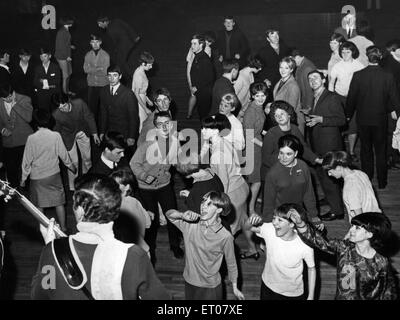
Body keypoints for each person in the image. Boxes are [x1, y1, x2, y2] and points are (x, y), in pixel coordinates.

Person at [31, 173, 170, 300]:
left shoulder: (51, 252)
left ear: (79, 209)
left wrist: (51, 246)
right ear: (116, 208)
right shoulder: (133, 255)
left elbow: (40, 295)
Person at [289, 207, 398, 300]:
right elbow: (319, 242)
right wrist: (301, 224)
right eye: (352, 226)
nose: (351, 230)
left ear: (369, 234)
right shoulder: (344, 248)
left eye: (357, 228)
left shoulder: (380, 262)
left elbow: (388, 293)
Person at [166, 191, 245, 300]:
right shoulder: (191, 223)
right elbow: (169, 215)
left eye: (209, 204)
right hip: (190, 281)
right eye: (203, 201)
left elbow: (231, 264)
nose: (203, 206)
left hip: (210, 287)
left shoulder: (225, 236)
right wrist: (181, 215)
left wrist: (235, 288)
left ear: (219, 209)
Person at [130, 111, 183, 265]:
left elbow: (177, 162)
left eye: (167, 123)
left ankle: (175, 245)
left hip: (165, 185)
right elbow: (134, 163)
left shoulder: (175, 141)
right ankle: (150, 248)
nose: (164, 127)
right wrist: (145, 176)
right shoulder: (147, 144)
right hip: (146, 188)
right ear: (155, 127)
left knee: (172, 216)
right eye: (160, 124)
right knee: (151, 220)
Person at [201, 114, 257, 259]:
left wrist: (219, 202)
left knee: (226, 231)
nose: (203, 131)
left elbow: (222, 182)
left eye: (207, 128)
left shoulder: (217, 154)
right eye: (203, 127)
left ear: (216, 131)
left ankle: (223, 261)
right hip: (242, 187)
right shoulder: (224, 142)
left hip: (231, 193)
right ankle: (253, 249)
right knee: (244, 220)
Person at [346, 46, 400, 189]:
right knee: (381, 151)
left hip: (363, 119)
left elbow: (351, 99)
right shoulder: (387, 75)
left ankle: (367, 179)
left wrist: (347, 116)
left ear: (366, 57)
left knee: (365, 151)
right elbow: (394, 99)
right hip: (380, 120)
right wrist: (396, 112)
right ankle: (382, 182)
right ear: (380, 57)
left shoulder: (358, 75)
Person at [21, 109, 76, 232]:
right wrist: (72, 167)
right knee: (59, 203)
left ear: (35, 122)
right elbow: (64, 155)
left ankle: (45, 230)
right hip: (54, 175)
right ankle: (64, 228)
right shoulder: (55, 136)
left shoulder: (31, 138)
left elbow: (26, 161)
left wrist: (23, 179)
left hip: (37, 178)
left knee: (39, 205)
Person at [248, 203, 316, 300]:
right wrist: (250, 220)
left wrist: (311, 296)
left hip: (292, 294)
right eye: (274, 218)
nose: (274, 223)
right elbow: (247, 227)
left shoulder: (305, 245)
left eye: (280, 220)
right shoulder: (270, 229)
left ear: (292, 224)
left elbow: (311, 268)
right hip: (268, 287)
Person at [306, 70, 346, 222]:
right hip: (318, 142)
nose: (313, 80)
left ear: (324, 80)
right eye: (310, 79)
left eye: (316, 77)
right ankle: (330, 199)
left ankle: (337, 211)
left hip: (330, 144)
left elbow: (341, 120)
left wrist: (321, 119)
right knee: (322, 174)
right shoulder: (314, 96)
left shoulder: (332, 96)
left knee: (330, 177)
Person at [263, 134, 323, 229]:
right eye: (281, 153)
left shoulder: (303, 166)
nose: (283, 158)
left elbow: (308, 193)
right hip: (281, 217)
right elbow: (268, 202)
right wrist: (267, 224)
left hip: (298, 214)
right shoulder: (273, 173)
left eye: (288, 154)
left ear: (296, 153)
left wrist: (314, 215)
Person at [261, 100, 319, 184]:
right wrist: (286, 161)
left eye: (282, 114)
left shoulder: (294, 129)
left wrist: (317, 159)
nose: (279, 117)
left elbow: (303, 148)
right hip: (272, 175)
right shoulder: (271, 134)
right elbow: (266, 158)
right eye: (276, 115)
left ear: (289, 114)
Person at [52, 92, 99, 191]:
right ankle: (73, 186)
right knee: (74, 162)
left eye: (64, 105)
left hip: (82, 132)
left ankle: (87, 181)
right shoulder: (56, 115)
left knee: (87, 158)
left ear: (68, 101)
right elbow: (57, 131)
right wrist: (56, 145)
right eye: (60, 108)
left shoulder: (80, 103)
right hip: (68, 136)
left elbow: (89, 117)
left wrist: (94, 133)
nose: (63, 109)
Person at [329, 41, 364, 162]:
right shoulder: (337, 66)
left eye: (347, 52)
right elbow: (331, 83)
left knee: (353, 127)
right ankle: (340, 151)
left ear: (353, 52)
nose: (345, 54)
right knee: (340, 125)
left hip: (354, 100)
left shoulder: (359, 66)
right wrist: (331, 98)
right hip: (340, 98)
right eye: (342, 52)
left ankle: (352, 151)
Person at [322, 151, 382, 222]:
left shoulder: (350, 188)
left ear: (338, 167)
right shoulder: (361, 173)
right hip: (377, 218)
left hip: (367, 226)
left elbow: (359, 218)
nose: (329, 174)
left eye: (330, 171)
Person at [99, 65, 139, 158]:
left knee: (124, 159)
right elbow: (103, 113)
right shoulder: (103, 91)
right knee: (111, 158)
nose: (112, 78)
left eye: (115, 75)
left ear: (120, 76)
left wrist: (131, 136)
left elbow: (133, 117)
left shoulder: (128, 94)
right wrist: (102, 131)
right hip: (110, 133)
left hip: (123, 134)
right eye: (109, 75)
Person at [110, 168, 152, 254]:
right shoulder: (135, 201)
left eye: (115, 184)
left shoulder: (118, 208)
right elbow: (148, 224)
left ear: (127, 187)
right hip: (143, 251)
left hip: (129, 253)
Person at [0, 85, 33, 187]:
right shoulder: (0, 101)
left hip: (24, 139)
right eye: (4, 98)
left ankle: (28, 190)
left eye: (9, 96)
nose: (7, 99)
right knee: (11, 169)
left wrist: (15, 105)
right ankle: (13, 191)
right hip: (8, 141)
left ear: (13, 92)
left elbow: (29, 118)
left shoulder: (25, 99)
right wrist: (2, 129)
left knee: (27, 167)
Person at [242, 82, 267, 216]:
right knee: (256, 180)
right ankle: (250, 209)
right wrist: (264, 145)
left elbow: (257, 129)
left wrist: (266, 134)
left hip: (256, 144)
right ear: (252, 96)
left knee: (254, 179)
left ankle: (251, 200)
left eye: (263, 95)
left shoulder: (259, 107)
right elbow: (249, 135)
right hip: (252, 148)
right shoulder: (251, 111)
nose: (260, 98)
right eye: (257, 95)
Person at [97, 16, 141, 81]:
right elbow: (115, 41)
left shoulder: (116, 22)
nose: (99, 26)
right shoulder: (110, 28)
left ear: (105, 22)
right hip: (125, 45)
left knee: (122, 62)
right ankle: (131, 76)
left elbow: (127, 27)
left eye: (100, 24)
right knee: (122, 62)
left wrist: (135, 36)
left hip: (126, 44)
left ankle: (132, 76)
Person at [83, 33, 110, 126]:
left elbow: (105, 71)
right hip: (91, 85)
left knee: (104, 109)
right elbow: (85, 69)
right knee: (91, 109)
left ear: (100, 42)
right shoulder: (87, 55)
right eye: (93, 42)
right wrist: (98, 68)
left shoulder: (105, 55)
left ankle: (104, 128)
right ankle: (93, 129)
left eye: (97, 42)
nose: (95, 44)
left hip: (103, 85)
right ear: (90, 43)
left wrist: (92, 70)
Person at [272, 57, 303, 134]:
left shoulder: (293, 86)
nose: (282, 70)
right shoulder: (281, 81)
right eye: (281, 67)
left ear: (291, 70)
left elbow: (290, 110)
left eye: (286, 68)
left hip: (292, 123)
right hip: (283, 120)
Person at [383, 39, 400, 170]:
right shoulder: (390, 66)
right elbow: (387, 90)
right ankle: (390, 158)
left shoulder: (393, 61)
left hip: (396, 102)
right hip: (393, 106)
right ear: (394, 51)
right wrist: (392, 109)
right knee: (392, 132)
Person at [189, 34, 215, 120]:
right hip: (200, 92)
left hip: (204, 93)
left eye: (194, 44)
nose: (192, 46)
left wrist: (197, 87)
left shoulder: (204, 59)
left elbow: (210, 77)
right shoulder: (198, 56)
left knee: (204, 116)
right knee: (202, 114)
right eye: (191, 43)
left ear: (201, 45)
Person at [33, 47, 61, 112]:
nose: (43, 59)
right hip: (42, 95)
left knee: (55, 112)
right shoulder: (37, 68)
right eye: (41, 57)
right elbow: (35, 82)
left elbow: (58, 81)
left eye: (45, 56)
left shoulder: (55, 67)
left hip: (54, 94)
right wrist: (42, 84)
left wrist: (44, 81)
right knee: (44, 112)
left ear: (50, 56)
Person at [131, 51, 154, 131]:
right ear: (143, 64)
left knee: (144, 121)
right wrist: (145, 108)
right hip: (138, 101)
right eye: (149, 65)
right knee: (142, 123)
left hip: (142, 98)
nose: (151, 67)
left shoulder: (141, 71)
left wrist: (147, 100)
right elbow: (136, 93)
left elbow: (141, 90)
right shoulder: (139, 75)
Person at [290, 48, 317, 116]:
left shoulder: (307, 68)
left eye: (293, 60)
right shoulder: (301, 65)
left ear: (297, 57)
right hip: (303, 102)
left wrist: (308, 107)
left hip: (307, 104)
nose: (292, 63)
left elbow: (309, 90)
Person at [55, 17, 75, 95]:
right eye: (71, 22)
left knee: (69, 73)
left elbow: (64, 43)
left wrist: (70, 46)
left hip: (66, 56)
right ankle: (65, 95)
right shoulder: (62, 31)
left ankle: (67, 90)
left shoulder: (66, 30)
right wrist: (66, 56)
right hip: (62, 57)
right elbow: (59, 46)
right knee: (65, 75)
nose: (72, 23)